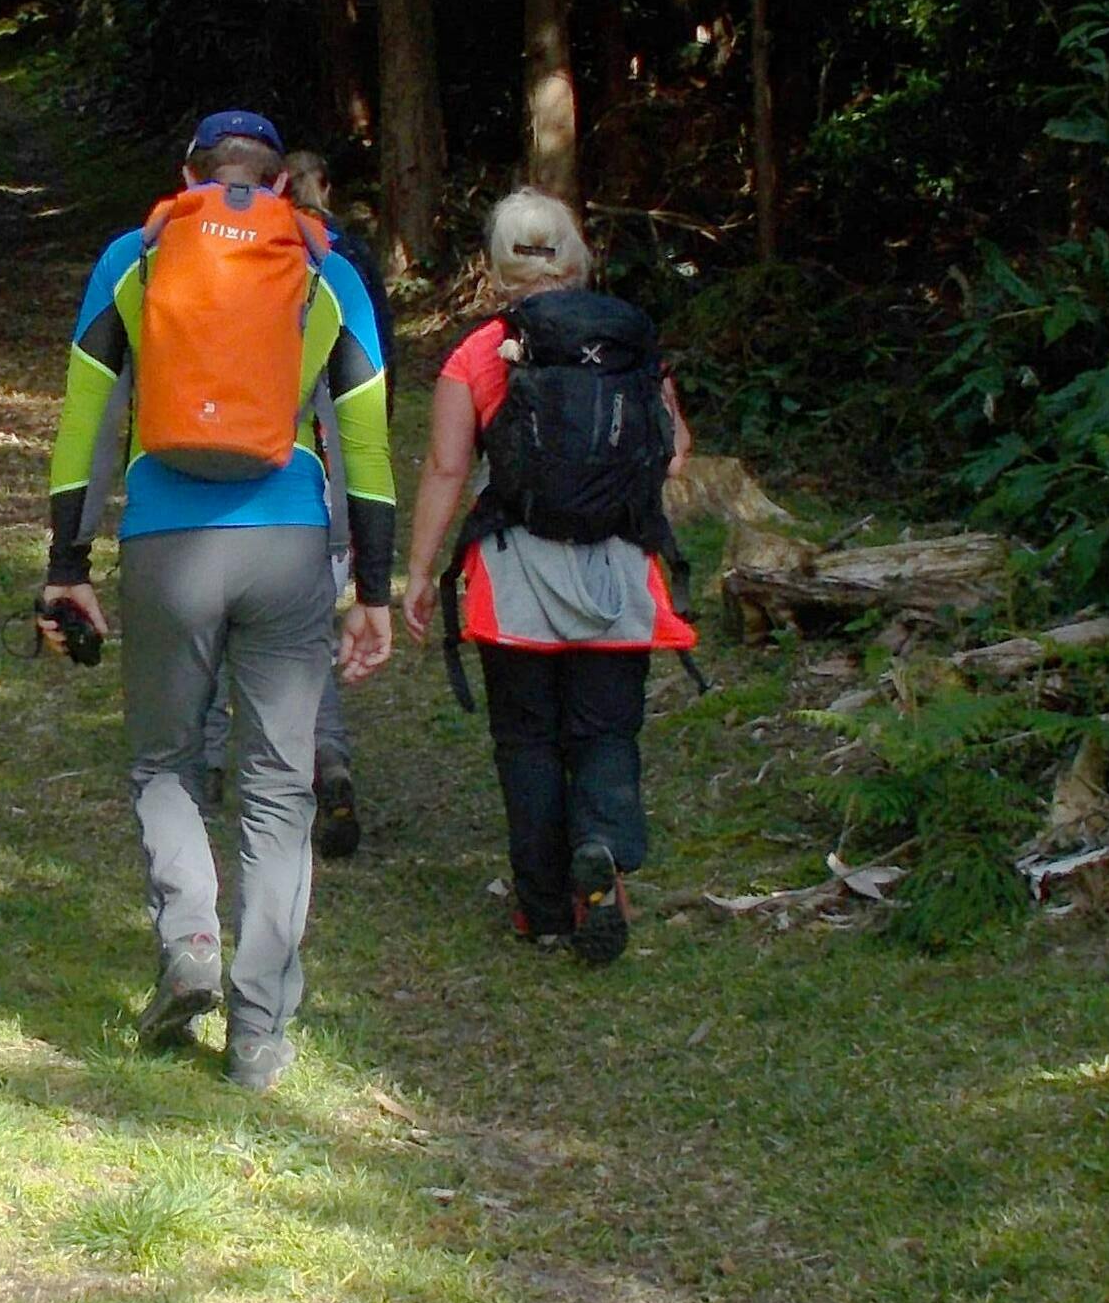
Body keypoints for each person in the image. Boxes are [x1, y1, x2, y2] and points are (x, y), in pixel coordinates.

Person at [38, 110, 397, 1091]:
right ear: (282, 185)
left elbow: (84, 422)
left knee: (162, 759)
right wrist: (373, 587)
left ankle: (189, 933)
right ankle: (257, 1032)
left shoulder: (136, 254)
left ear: (184, 174)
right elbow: (363, 442)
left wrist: (65, 561)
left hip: (165, 538)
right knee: (280, 792)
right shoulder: (323, 265)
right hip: (287, 543)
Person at [398, 190, 694, 965]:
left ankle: (542, 908)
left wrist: (420, 571)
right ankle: (599, 845)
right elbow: (677, 447)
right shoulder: (629, 343)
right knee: (605, 730)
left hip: (515, 573)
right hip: (619, 568)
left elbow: (446, 466)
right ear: (577, 255)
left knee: (526, 739)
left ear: (497, 272)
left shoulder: (479, 353)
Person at [198, 148, 385, 857]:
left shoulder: (198, 254)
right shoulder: (340, 261)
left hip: (209, 466)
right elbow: (372, 369)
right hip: (312, 468)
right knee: (304, 640)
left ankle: (209, 757)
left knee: (211, 621)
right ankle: (326, 757)